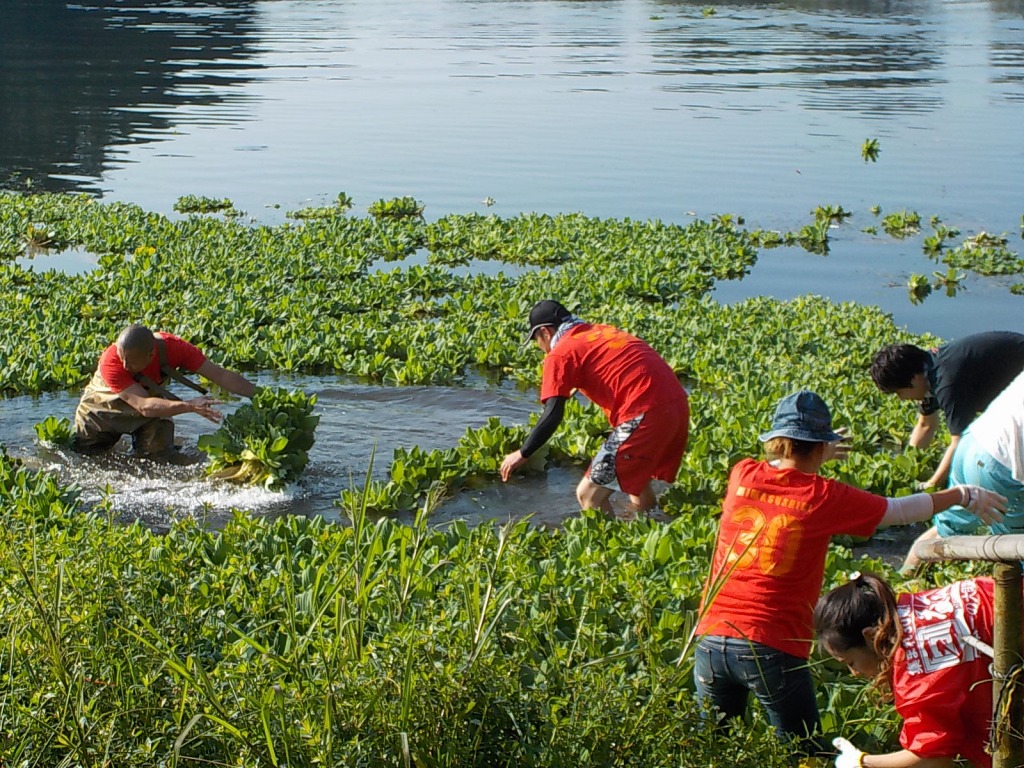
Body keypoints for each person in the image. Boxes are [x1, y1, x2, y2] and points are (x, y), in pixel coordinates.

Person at [693, 390, 1006, 752]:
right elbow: (898, 510)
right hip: (770, 643)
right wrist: (961, 495)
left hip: (710, 636)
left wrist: (816, 452)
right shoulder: (823, 495)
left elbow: (787, 468)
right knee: (804, 750)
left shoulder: (741, 474)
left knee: (713, 746)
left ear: (777, 441)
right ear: (822, 446)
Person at [499, 300, 689, 517]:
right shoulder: (601, 331)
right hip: (677, 405)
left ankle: (609, 547)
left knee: (588, 494)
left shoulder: (560, 353)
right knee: (636, 481)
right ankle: (652, 525)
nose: (539, 347)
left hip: (645, 412)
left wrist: (523, 453)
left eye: (536, 340)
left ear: (545, 332)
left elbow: (553, 413)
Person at [815, 571, 998, 768]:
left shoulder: (916, 671)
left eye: (850, 663)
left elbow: (933, 757)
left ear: (869, 637)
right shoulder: (910, 610)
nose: (855, 673)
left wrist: (862, 762)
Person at [72, 324, 256, 461]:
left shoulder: (176, 348)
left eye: (132, 361)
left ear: (151, 355)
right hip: (100, 413)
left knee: (160, 459)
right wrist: (189, 406)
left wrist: (261, 396)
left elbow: (221, 375)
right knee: (89, 460)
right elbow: (144, 406)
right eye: (122, 358)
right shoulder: (111, 362)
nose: (125, 366)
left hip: (149, 405)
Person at [901, 370, 1024, 570]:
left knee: (944, 532)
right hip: (1003, 464)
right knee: (1015, 552)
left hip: (974, 442)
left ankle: (899, 584)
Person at [869, 331, 1024, 490]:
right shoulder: (927, 369)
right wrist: (907, 465)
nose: (901, 399)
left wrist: (931, 485)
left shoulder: (947, 384)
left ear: (913, 379)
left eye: (899, 392)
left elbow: (960, 442)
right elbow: (925, 425)